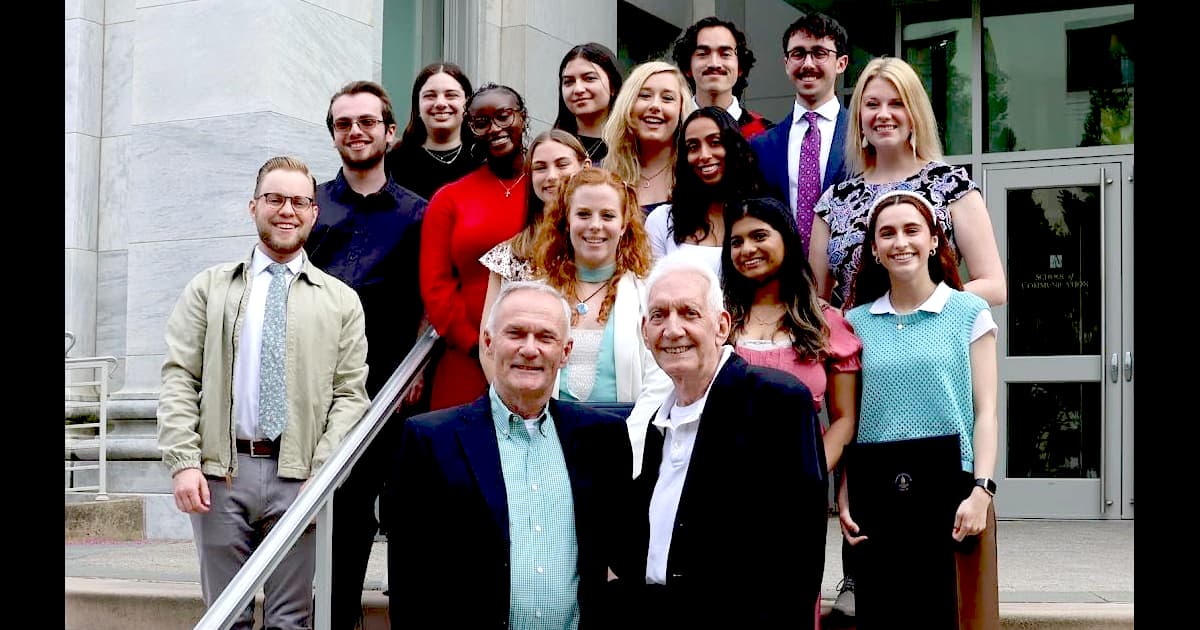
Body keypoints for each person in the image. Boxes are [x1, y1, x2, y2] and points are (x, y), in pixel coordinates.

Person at [158, 156, 370, 630]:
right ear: (254, 206)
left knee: (290, 620)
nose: (286, 210)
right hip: (220, 476)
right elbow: (179, 377)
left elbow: (350, 395)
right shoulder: (208, 289)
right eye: (275, 198)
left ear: (315, 212)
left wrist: (323, 477)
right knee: (224, 616)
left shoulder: (340, 301)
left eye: (299, 201)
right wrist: (184, 462)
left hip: (300, 479)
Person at [385, 281, 631, 629]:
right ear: (489, 342)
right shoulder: (430, 441)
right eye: (515, 333)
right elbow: (411, 584)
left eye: (545, 337)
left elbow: (624, 563)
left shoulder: (602, 440)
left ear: (565, 351)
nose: (530, 349)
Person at [611, 253, 828, 628]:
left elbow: (800, 555)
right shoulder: (654, 424)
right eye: (659, 316)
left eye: (689, 313)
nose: (673, 329)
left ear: (721, 325)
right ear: (644, 332)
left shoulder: (773, 401)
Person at [840, 190, 999, 629]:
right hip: (878, 494)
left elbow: (987, 411)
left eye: (912, 230)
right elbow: (848, 420)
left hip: (953, 492)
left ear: (933, 240)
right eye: (886, 233)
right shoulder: (854, 323)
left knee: (952, 617)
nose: (900, 242)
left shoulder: (968, 311)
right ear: (874, 249)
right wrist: (845, 488)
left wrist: (982, 491)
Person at [305, 79, 428, 630]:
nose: (355, 132)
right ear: (334, 135)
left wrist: (416, 373)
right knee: (322, 515)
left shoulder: (418, 214)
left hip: (387, 390)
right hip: (314, 388)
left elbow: (430, 299)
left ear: (390, 131)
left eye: (367, 122)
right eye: (343, 124)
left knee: (380, 514)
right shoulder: (310, 207)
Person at [810, 56, 1007, 309]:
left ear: (914, 113)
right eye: (872, 104)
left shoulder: (952, 186)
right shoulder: (833, 202)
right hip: (858, 345)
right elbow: (816, 300)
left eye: (896, 104)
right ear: (858, 115)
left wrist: (912, 308)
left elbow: (994, 286)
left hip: (933, 340)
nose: (883, 114)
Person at [531, 166, 674, 474]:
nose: (595, 226)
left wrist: (625, 444)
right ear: (566, 219)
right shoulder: (537, 294)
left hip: (625, 450)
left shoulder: (648, 294)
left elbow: (662, 378)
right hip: (548, 451)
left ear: (624, 225)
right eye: (584, 214)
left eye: (608, 216)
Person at [420, 83, 531, 410]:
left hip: (538, 355)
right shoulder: (449, 199)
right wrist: (478, 346)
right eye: (480, 122)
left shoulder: (547, 188)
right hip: (466, 360)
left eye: (503, 116)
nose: (494, 129)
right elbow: (436, 286)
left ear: (522, 118)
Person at [478, 129, 591, 372]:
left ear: (586, 167)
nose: (551, 176)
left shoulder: (603, 246)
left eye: (562, 164)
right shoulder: (508, 256)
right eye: (540, 168)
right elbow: (488, 347)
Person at [750, 9, 853, 259]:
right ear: (786, 64)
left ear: (841, 63)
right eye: (798, 54)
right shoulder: (762, 146)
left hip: (850, 286)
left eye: (819, 53)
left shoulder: (863, 135)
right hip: (782, 282)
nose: (808, 64)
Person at [644, 106, 767, 276]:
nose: (704, 155)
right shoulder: (662, 220)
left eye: (715, 142)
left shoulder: (765, 215)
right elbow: (651, 292)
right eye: (693, 147)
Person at [601, 61, 697, 216]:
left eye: (667, 98)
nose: (655, 106)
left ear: (681, 110)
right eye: (645, 96)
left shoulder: (697, 176)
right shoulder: (603, 176)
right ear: (628, 106)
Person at [385, 62, 480, 201]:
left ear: (468, 103)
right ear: (417, 104)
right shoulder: (394, 163)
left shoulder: (483, 160)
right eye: (430, 95)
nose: (440, 103)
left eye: (451, 95)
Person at [671, 16, 774, 139]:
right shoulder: (670, 129)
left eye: (725, 54)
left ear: (740, 67)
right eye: (703, 54)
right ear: (688, 68)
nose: (714, 64)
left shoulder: (767, 134)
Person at [554, 43, 623, 165]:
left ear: (613, 86)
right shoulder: (551, 149)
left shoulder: (633, 149)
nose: (578, 89)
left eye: (589, 78)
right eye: (569, 82)